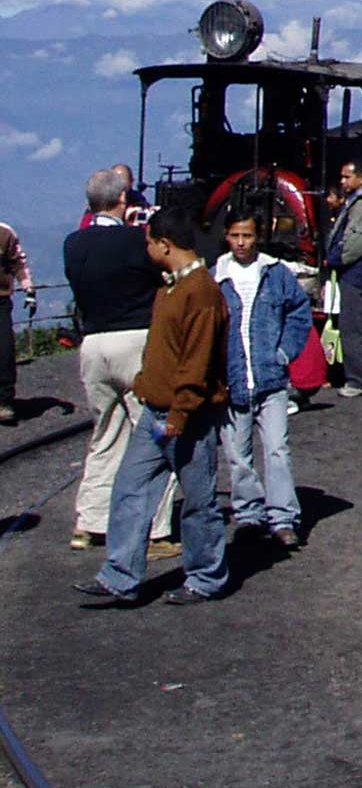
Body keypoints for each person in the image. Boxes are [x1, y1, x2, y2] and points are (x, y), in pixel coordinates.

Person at [73, 208, 230, 606]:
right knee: (130, 489)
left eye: (148, 243)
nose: (145, 250)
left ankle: (206, 578)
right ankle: (120, 575)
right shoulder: (169, 290)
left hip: (187, 417)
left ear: (165, 244)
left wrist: (180, 413)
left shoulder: (201, 293)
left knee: (199, 501)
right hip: (155, 412)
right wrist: (145, 385)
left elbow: (197, 361)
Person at [65, 169, 177, 554]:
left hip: (93, 343)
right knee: (155, 431)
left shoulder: (73, 244)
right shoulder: (135, 240)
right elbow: (161, 277)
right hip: (135, 339)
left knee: (105, 433)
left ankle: (89, 522)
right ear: (123, 199)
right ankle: (156, 529)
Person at [216, 213, 311, 547]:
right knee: (238, 456)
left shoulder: (275, 273)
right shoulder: (216, 277)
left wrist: (284, 352)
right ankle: (249, 514)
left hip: (270, 379)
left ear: (258, 236)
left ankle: (283, 517)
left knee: (277, 450)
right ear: (226, 236)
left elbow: (299, 311)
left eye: (247, 235)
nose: (241, 243)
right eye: (235, 236)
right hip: (233, 381)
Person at [323, 160, 362, 397]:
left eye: (347, 177)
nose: (343, 181)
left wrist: (336, 258)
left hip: (357, 275)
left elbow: (357, 243)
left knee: (354, 328)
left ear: (361, 178)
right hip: (352, 274)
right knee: (357, 327)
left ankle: (359, 380)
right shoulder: (355, 202)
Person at [0, 211, 31, 425]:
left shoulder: (5, 234)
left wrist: (28, 287)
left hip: (0, 300)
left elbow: (18, 262)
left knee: (4, 350)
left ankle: (4, 401)